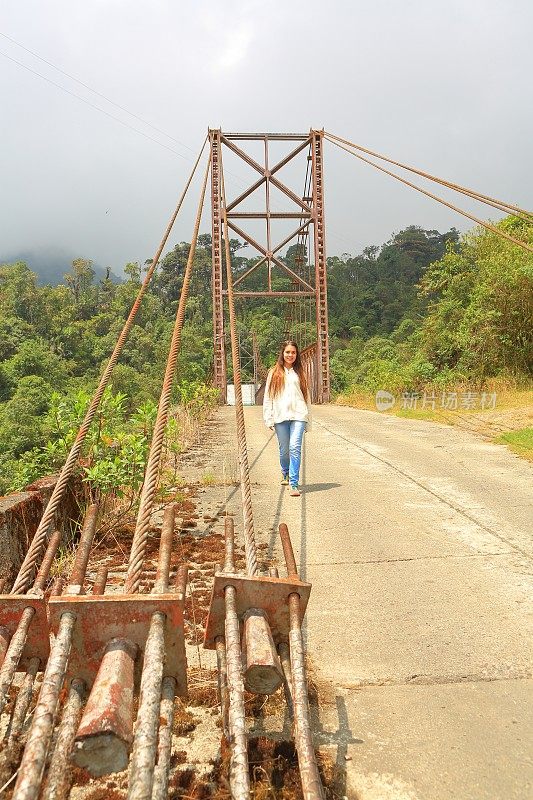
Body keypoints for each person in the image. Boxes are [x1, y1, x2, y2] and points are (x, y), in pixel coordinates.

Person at [263, 340, 311, 497]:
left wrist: (308, 420)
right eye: (288, 352)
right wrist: (268, 418)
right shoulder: (274, 372)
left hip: (299, 414)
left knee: (295, 447)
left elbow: (306, 397)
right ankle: (285, 472)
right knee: (284, 450)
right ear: (282, 354)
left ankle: (294, 484)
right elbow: (268, 397)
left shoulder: (301, 373)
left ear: (297, 355)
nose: (291, 355)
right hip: (280, 415)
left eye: (294, 352)